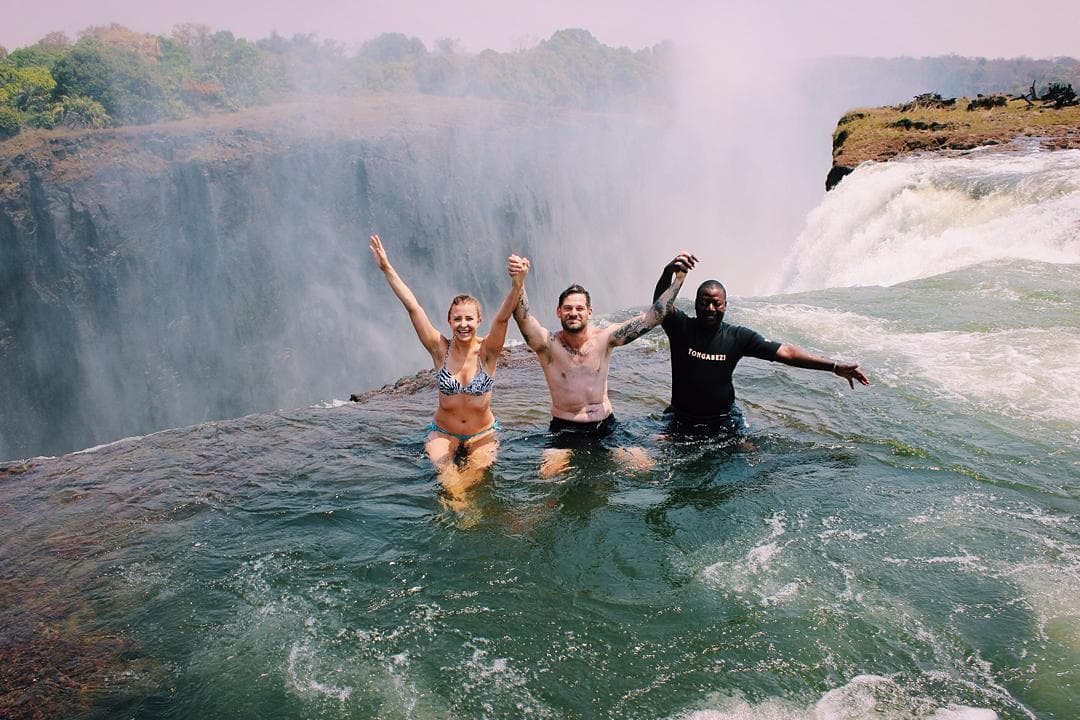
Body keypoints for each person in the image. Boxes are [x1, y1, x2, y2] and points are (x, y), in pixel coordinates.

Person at [368, 234, 528, 498]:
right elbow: (413, 307)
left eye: (469, 318)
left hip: (482, 434)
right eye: (457, 319)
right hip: (443, 432)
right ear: (449, 321)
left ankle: (463, 517)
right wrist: (387, 267)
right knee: (449, 480)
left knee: (474, 479)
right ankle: (462, 515)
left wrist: (517, 284)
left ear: (478, 320)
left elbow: (502, 319)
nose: (463, 324)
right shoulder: (439, 349)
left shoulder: (488, 352)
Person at [511, 254, 694, 476]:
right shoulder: (548, 345)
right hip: (564, 430)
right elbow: (523, 319)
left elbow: (652, 318)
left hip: (607, 427)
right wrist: (519, 282)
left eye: (579, 308)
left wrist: (677, 280)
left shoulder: (605, 338)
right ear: (558, 312)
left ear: (590, 312)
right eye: (568, 308)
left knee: (646, 472)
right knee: (549, 478)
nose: (573, 313)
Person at [652, 253, 870, 437]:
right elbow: (660, 306)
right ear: (696, 304)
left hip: (723, 421)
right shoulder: (681, 328)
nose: (710, 308)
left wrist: (834, 367)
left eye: (716, 303)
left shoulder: (736, 337)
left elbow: (787, 353)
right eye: (704, 302)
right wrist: (667, 271)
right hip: (681, 419)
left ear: (725, 306)